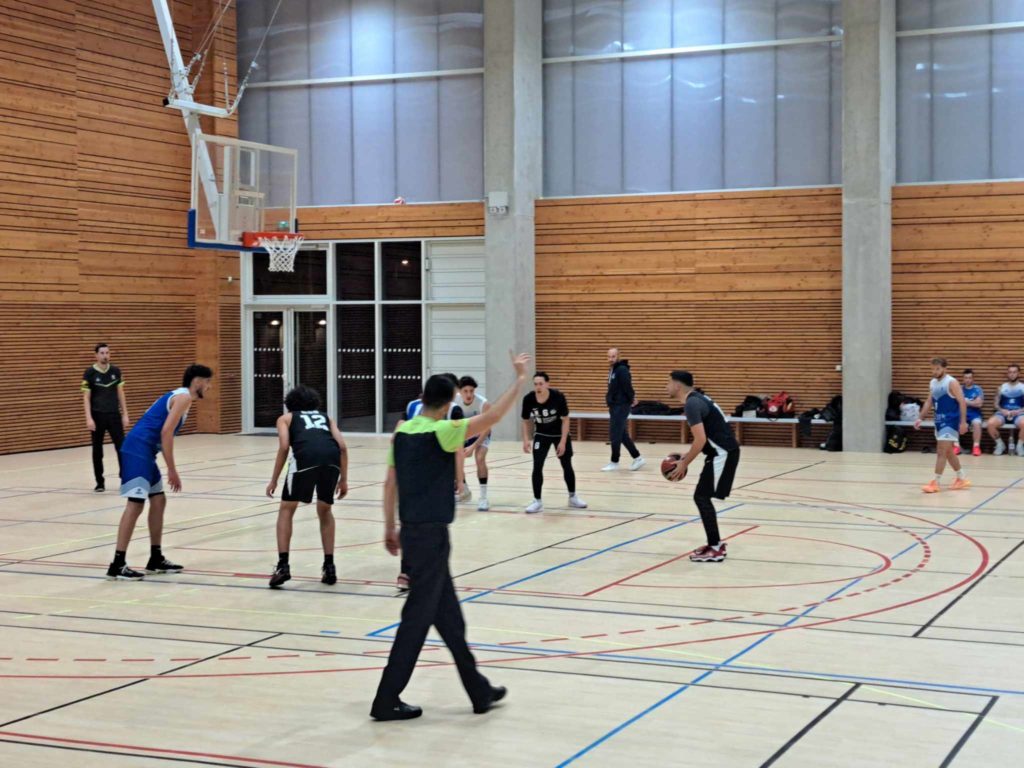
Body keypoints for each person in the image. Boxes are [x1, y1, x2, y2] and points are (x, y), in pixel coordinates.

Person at [370, 352, 530, 721]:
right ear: (446, 405)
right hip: (431, 537)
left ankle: (479, 691)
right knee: (415, 621)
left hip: (413, 533)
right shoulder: (444, 430)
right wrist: (520, 380)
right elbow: (492, 417)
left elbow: (390, 483)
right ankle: (386, 698)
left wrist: (389, 526)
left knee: (451, 620)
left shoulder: (401, 432)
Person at [106, 364, 214, 580]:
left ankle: (155, 557)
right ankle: (117, 564)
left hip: (146, 452)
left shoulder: (181, 397)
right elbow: (166, 432)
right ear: (197, 381)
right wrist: (172, 469)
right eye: (208, 382)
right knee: (135, 505)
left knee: (158, 500)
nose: (209, 387)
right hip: (137, 450)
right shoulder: (183, 398)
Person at [265, 385, 349, 589]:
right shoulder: (326, 417)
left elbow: (284, 447)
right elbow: (343, 447)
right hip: (331, 460)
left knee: (287, 509)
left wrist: (274, 479)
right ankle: (329, 566)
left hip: (305, 459)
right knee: (325, 510)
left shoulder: (286, 418)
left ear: (290, 403)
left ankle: (283, 566)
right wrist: (344, 479)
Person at [665, 371, 741, 563]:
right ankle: (715, 544)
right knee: (702, 496)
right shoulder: (698, 398)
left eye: (669, 383)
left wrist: (684, 463)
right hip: (721, 451)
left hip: (723, 453)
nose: (666, 386)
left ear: (678, 386)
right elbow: (707, 436)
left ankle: (715, 548)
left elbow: (700, 439)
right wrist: (686, 455)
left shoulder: (692, 404)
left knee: (701, 497)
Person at [521, 372, 587, 514]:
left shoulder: (558, 396)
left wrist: (563, 442)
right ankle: (537, 501)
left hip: (559, 434)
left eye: (541, 384)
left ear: (547, 384)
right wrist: (526, 439)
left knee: (566, 464)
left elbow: (566, 420)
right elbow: (525, 420)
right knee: (537, 466)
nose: (538, 387)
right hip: (541, 434)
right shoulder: (528, 399)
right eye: (535, 384)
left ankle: (572, 497)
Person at [915, 358, 970, 493]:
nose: (935, 371)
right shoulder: (933, 383)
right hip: (939, 421)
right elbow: (929, 402)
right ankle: (961, 478)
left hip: (951, 421)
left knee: (941, 451)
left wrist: (963, 422)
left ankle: (936, 482)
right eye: (933, 369)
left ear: (945, 368)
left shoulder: (951, 382)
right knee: (949, 452)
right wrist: (920, 418)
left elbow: (962, 402)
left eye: (938, 369)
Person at [82, 343, 130, 492]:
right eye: (102, 353)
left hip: (114, 415)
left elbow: (120, 393)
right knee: (97, 451)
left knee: (122, 448)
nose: (105, 356)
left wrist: (125, 414)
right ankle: (100, 482)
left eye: (107, 353)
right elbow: (86, 397)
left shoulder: (116, 371)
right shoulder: (89, 373)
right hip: (97, 416)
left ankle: (125, 478)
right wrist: (88, 418)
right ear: (96, 355)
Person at [602, 347, 645, 472]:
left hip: (621, 405)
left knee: (615, 434)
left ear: (618, 356)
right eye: (609, 356)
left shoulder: (622, 369)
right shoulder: (613, 369)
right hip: (614, 405)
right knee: (621, 434)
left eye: (613, 356)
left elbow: (627, 386)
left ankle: (614, 462)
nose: (611, 359)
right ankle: (638, 458)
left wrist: (632, 398)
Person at [458, 376, 492, 511]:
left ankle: (483, 498)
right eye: (465, 391)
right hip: (463, 434)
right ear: (460, 391)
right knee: (455, 459)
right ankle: (464, 488)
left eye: (471, 391)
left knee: (480, 458)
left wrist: (473, 446)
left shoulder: (483, 404)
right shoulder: (454, 402)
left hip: (481, 433)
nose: (469, 394)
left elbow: (487, 428)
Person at [987, 363, 1024, 456]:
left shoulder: (1023, 387)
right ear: (1007, 374)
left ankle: (1019, 446)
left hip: (1018, 413)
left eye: (1014, 372)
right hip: (1003, 413)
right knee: (990, 423)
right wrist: (1002, 410)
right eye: (1010, 372)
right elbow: (995, 404)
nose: (1012, 374)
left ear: (1018, 373)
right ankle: (1000, 444)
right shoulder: (1001, 388)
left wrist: (1019, 411)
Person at [960, 369, 984, 457]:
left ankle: (976, 447)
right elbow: (956, 403)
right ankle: (956, 446)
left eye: (970, 378)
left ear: (973, 379)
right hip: (962, 414)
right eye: (966, 378)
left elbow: (979, 404)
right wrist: (973, 402)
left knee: (977, 423)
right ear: (963, 379)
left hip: (974, 414)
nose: (968, 380)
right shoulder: (959, 389)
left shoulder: (978, 389)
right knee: (953, 422)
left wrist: (966, 401)